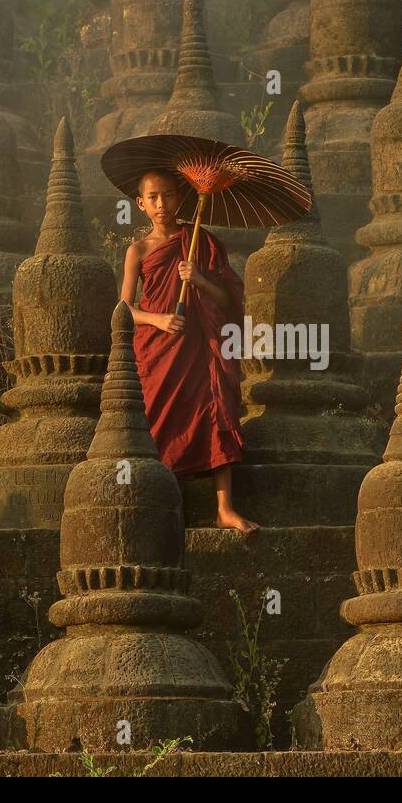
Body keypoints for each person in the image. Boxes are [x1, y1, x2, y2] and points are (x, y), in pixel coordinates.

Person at [120, 169, 259, 533]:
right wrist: (159, 320)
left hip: (200, 346)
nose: (161, 204)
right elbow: (124, 311)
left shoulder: (201, 242)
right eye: (153, 197)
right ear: (140, 203)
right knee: (158, 420)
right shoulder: (138, 250)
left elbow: (229, 299)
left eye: (168, 195)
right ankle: (161, 505)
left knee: (217, 411)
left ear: (180, 197)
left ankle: (224, 508)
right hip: (157, 349)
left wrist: (198, 280)